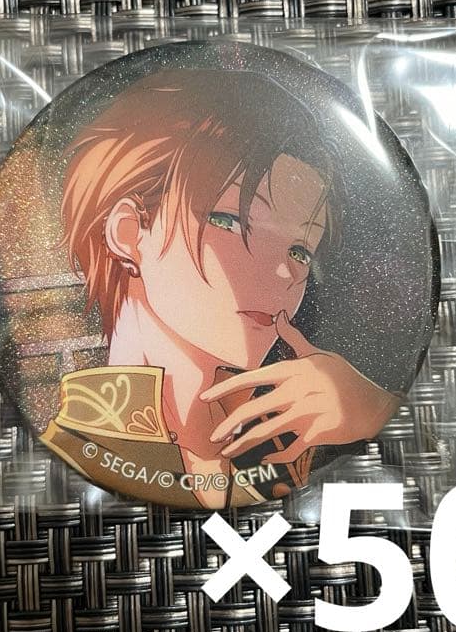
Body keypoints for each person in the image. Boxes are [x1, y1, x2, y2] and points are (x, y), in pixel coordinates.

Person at [40, 67, 402, 508]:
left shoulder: (291, 439)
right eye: (229, 222)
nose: (283, 273)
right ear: (130, 232)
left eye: (300, 250)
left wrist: (375, 410)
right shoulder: (74, 457)